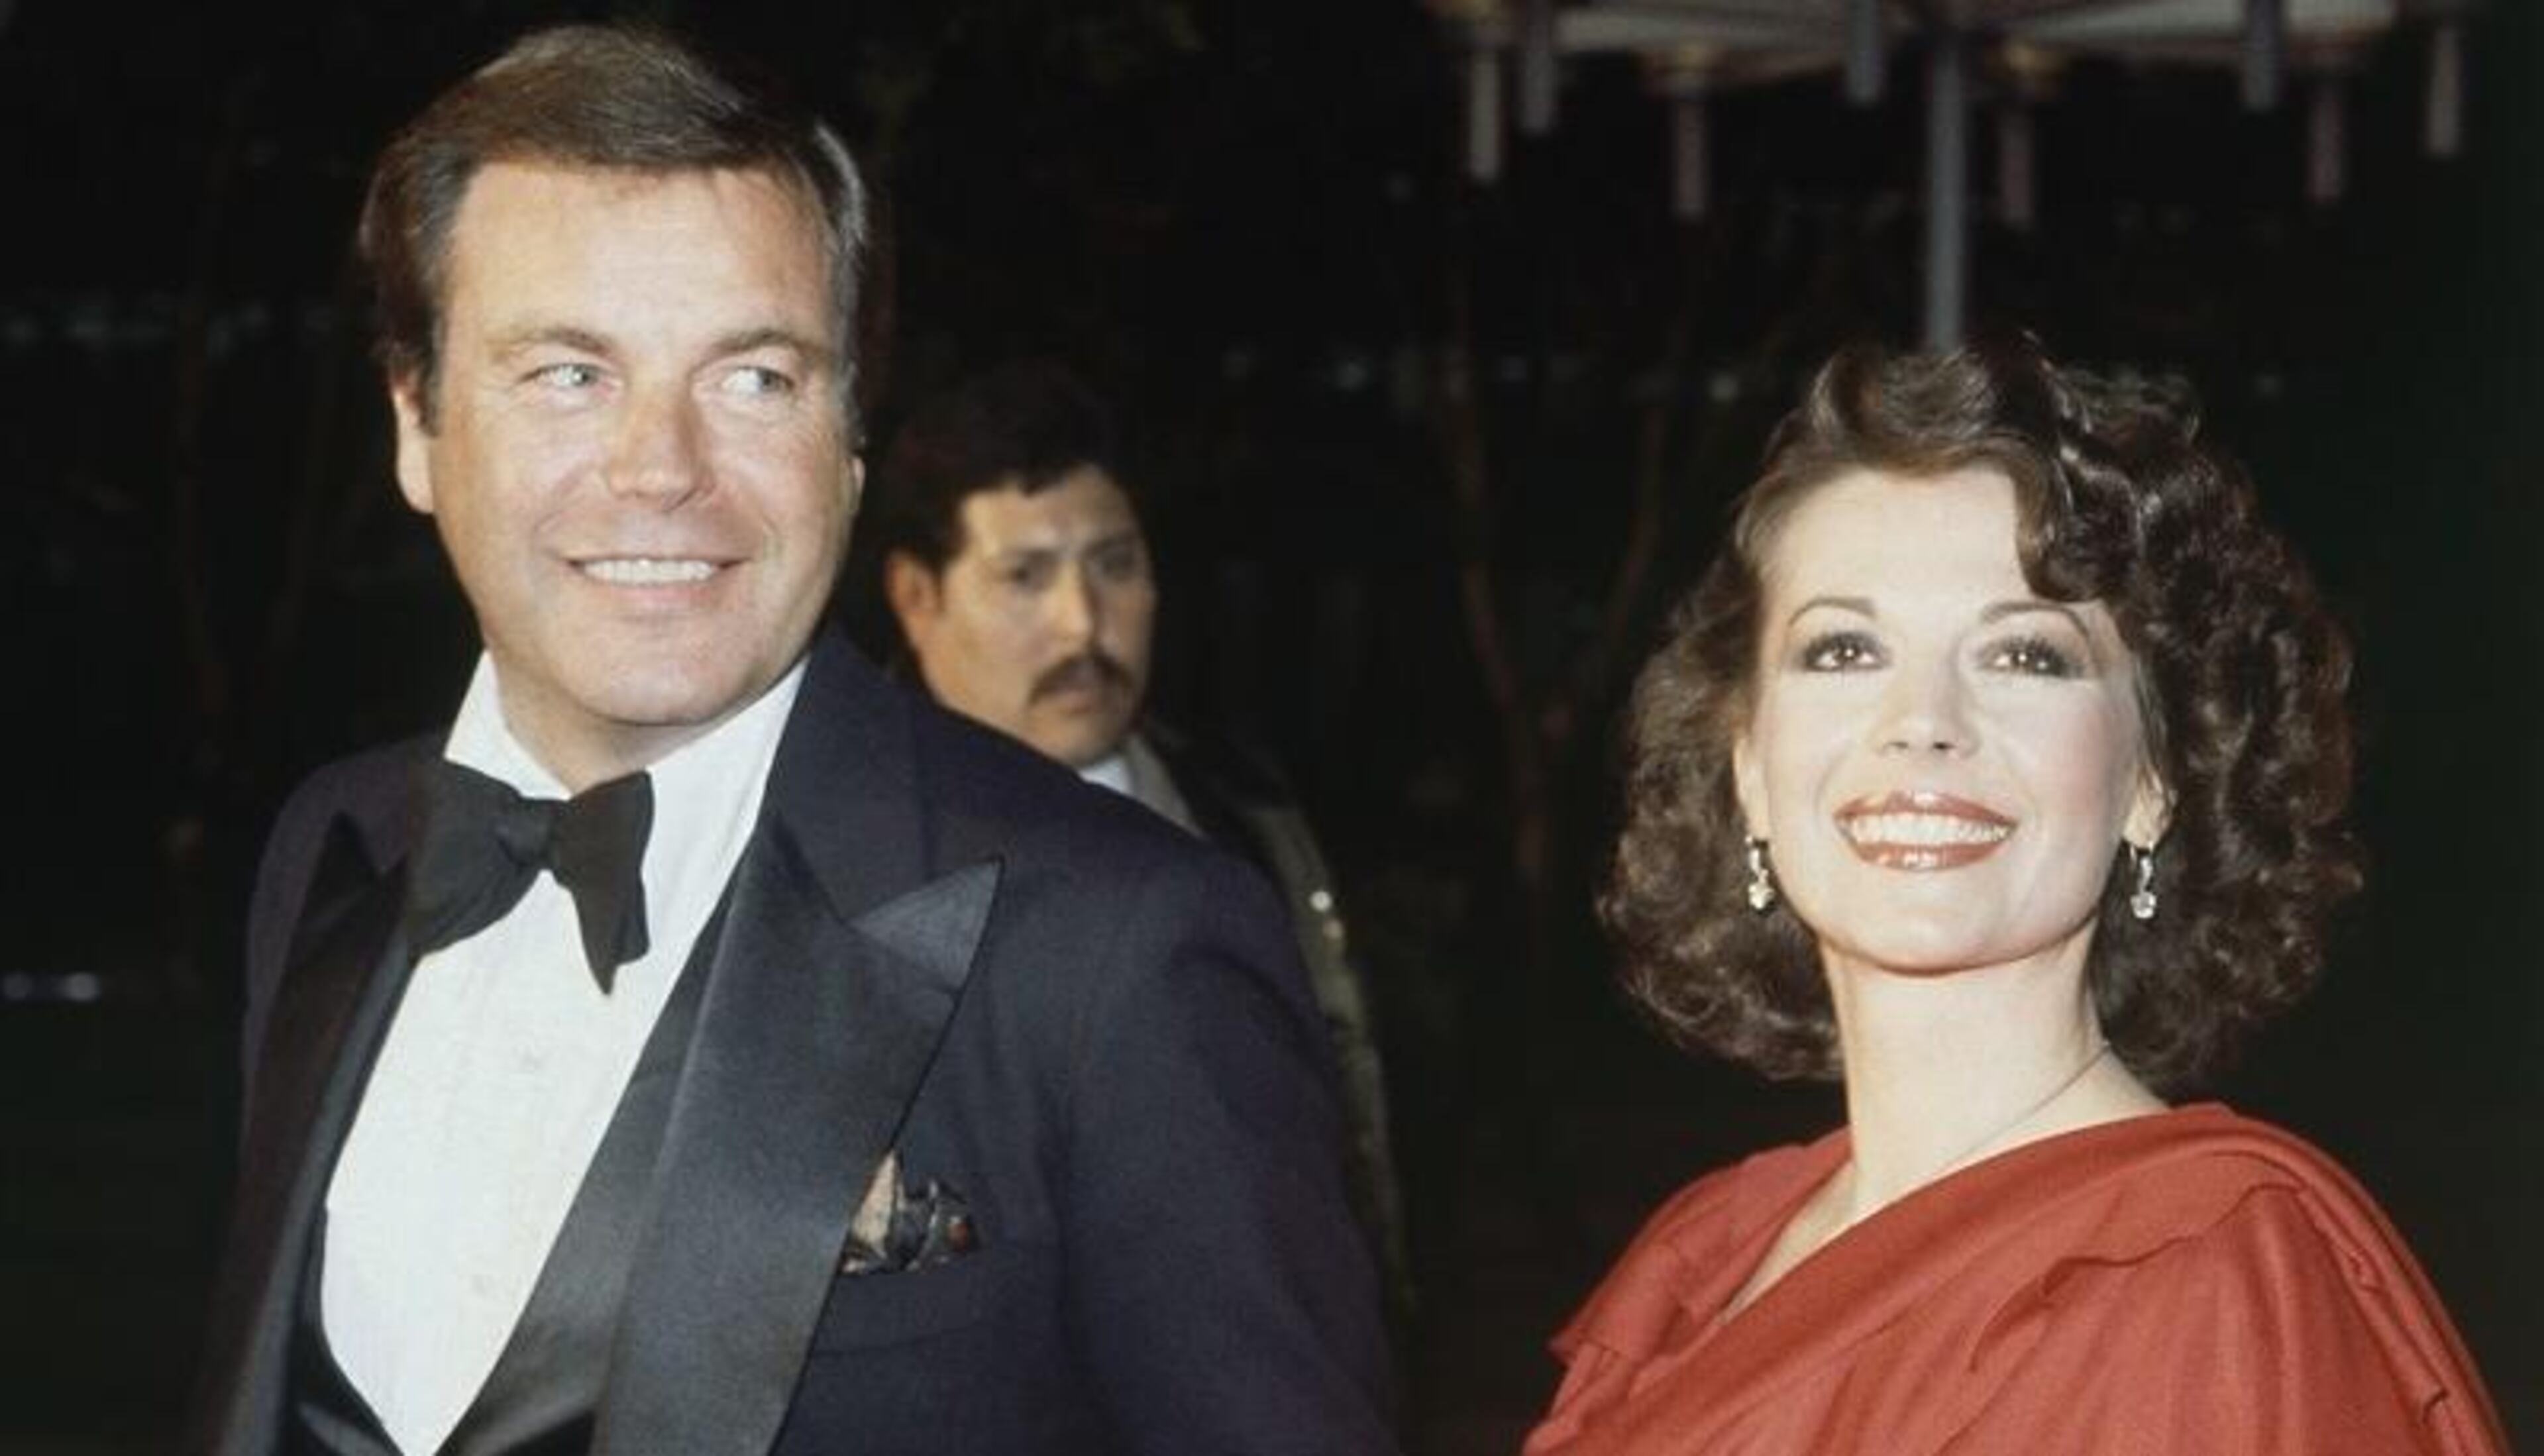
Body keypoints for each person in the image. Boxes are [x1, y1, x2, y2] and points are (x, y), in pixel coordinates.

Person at [186, 25, 1395, 1456]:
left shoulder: (1123, 948)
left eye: (752, 378)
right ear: (415, 423)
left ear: (850, 440)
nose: (660, 469)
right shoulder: (335, 851)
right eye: (568, 373)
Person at [1526, 340, 2507, 1454]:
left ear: (2152, 780)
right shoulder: (1706, 1252)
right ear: (1748, 765)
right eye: (1843, 649)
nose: (1923, 718)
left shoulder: (2205, 1280)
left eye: (2026, 657)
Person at [866, 361, 1411, 1326]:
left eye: (1114, 564)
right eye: (1025, 577)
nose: (1084, 624)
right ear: (918, 596)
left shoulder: (1244, 817)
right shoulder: (841, 848)